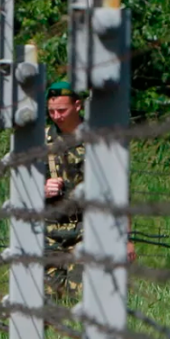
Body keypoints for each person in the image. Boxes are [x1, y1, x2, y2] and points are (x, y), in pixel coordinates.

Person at [44, 81, 135, 298]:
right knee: (44, 305)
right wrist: (42, 188)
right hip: (49, 234)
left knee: (84, 298)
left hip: (89, 232)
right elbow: (22, 187)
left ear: (78, 106)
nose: (57, 116)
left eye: (62, 110)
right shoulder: (39, 142)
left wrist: (127, 239)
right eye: (51, 111)